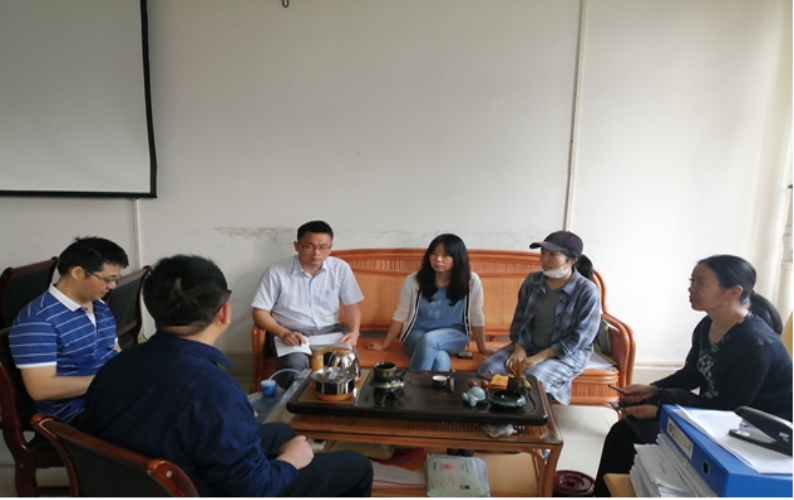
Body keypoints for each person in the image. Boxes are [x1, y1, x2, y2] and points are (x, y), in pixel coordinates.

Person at [76, 254, 373, 498]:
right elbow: (255, 490)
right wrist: (290, 463)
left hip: (137, 483)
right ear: (224, 313)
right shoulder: (215, 390)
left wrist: (235, 419)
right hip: (198, 489)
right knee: (354, 465)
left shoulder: (116, 365)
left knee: (281, 433)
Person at [593, 255, 793, 498]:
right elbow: (692, 373)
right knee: (621, 431)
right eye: (692, 281)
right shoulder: (707, 325)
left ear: (734, 292)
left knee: (633, 448)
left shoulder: (755, 344)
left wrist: (659, 412)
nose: (691, 288)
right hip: (713, 414)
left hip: (757, 433)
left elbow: (728, 410)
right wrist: (653, 389)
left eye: (702, 283)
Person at [9, 236, 129, 422]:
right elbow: (40, 389)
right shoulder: (38, 320)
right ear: (77, 273)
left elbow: (114, 351)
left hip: (112, 395)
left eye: (115, 279)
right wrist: (109, 379)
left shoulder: (100, 305)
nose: (112, 286)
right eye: (107, 279)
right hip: (79, 412)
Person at [478, 230, 601, 405]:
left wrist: (540, 357)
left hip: (566, 354)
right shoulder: (532, 281)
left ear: (573, 260)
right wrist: (519, 349)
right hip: (529, 346)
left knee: (532, 379)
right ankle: (497, 413)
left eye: (553, 255)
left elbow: (581, 338)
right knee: (487, 369)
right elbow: (520, 319)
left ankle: (533, 419)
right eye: (543, 253)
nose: (544, 260)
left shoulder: (587, 291)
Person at [252, 220, 364, 388]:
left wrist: (354, 332)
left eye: (323, 247)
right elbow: (259, 311)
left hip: (330, 332)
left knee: (345, 362)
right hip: (292, 333)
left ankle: (338, 402)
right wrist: (283, 333)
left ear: (331, 247)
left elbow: (351, 305)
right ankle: (290, 404)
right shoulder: (276, 272)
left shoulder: (340, 268)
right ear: (297, 246)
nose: (317, 253)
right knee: (294, 365)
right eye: (309, 246)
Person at [365, 234, 493, 370]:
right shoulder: (414, 281)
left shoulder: (471, 282)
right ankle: (433, 385)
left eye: (446, 255)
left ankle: (412, 382)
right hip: (416, 334)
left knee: (430, 340)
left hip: (454, 336)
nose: (438, 259)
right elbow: (401, 314)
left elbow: (476, 315)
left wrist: (483, 348)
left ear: (458, 258)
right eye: (434, 253)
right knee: (440, 359)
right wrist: (385, 344)